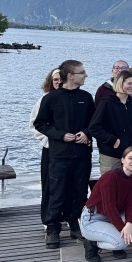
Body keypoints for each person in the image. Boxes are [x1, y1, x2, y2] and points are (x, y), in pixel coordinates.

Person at [35, 59, 95, 247]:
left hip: (82, 154)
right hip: (59, 155)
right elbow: (40, 124)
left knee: (80, 191)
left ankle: (75, 225)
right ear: (70, 76)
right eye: (81, 72)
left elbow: (94, 123)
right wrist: (60, 135)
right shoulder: (51, 98)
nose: (85, 75)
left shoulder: (86, 97)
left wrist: (86, 133)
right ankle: (52, 229)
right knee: (57, 192)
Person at [79, 146, 132, 262]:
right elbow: (109, 208)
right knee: (121, 242)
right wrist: (123, 230)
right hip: (94, 218)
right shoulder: (110, 177)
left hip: (112, 217)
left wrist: (129, 224)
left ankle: (114, 239)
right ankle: (92, 243)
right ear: (122, 160)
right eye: (130, 158)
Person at [89, 70, 132, 174]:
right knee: (110, 182)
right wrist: (113, 141)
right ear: (120, 83)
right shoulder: (107, 103)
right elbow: (94, 128)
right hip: (111, 155)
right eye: (129, 83)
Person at [29, 67, 61, 225]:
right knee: (49, 184)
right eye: (55, 80)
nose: (58, 82)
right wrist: (49, 141)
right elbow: (34, 125)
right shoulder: (44, 100)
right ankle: (48, 219)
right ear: (50, 81)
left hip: (70, 149)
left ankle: (68, 216)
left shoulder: (75, 98)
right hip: (50, 149)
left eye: (61, 79)